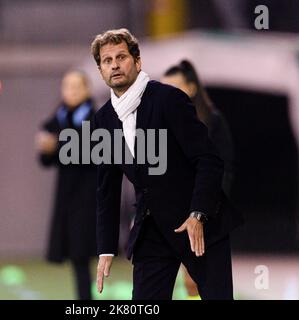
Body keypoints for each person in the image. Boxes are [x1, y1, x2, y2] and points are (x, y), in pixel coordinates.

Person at [91, 29, 243, 300]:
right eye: (107, 60)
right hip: (152, 231)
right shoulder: (103, 121)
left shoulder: (168, 100)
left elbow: (208, 159)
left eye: (121, 57)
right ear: (101, 70)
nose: (114, 64)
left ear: (137, 62)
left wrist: (198, 214)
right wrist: (105, 250)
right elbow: (107, 190)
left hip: (199, 226)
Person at [161, 59, 235, 300]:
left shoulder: (212, 120)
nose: (168, 94)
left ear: (191, 88)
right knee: (175, 283)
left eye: (175, 87)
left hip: (205, 217)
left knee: (205, 285)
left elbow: (224, 169)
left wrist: (204, 211)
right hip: (172, 216)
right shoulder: (160, 124)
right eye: (164, 88)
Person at [35, 70, 97, 300]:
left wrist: (57, 145)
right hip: (67, 197)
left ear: (87, 89)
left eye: (76, 86)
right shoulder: (58, 117)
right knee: (76, 256)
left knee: (83, 254)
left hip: (89, 198)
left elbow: (89, 152)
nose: (71, 91)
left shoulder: (95, 118)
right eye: (66, 86)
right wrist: (45, 147)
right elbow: (45, 159)